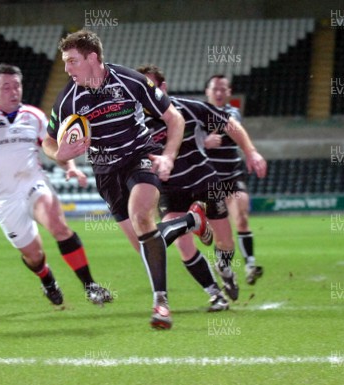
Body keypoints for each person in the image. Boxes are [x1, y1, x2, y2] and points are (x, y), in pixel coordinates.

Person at [43, 30, 209, 329]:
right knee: (145, 244)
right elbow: (47, 141)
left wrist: (168, 156)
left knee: (141, 216)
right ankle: (190, 221)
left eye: (72, 61)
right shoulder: (68, 98)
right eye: (65, 62)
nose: (67, 69)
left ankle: (161, 304)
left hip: (139, 158)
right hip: (106, 174)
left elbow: (174, 118)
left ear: (93, 58)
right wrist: (60, 154)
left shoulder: (130, 80)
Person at [0, 63, 112, 307]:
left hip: (33, 184)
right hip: (3, 197)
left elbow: (52, 147)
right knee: (34, 255)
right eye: (6, 87)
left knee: (58, 226)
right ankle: (47, 280)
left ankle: (91, 287)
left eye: (17, 86)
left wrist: (71, 167)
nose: (14, 91)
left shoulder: (34, 116)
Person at [137, 65, 267, 307]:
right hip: (169, 189)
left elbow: (230, 124)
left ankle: (225, 268)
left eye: (149, 87)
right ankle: (215, 294)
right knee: (182, 245)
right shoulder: (134, 123)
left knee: (225, 242)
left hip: (204, 181)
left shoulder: (186, 107)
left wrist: (251, 152)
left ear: (162, 88)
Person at [205, 75, 264, 285]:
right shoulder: (197, 113)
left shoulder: (232, 112)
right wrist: (203, 141)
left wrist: (203, 136)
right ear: (207, 92)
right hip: (208, 181)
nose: (219, 93)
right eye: (215, 89)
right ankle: (224, 267)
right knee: (222, 233)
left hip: (231, 175)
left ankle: (250, 265)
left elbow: (230, 126)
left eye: (223, 89)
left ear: (229, 92)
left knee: (241, 217)